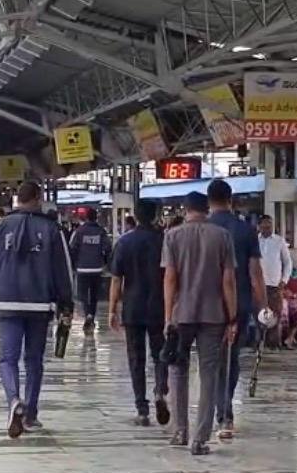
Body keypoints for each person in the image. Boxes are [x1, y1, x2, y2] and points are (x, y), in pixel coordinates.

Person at [0, 182, 75, 438]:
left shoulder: (0, 227)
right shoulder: (52, 229)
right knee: (34, 360)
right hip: (40, 304)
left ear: (18, 199)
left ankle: (13, 400)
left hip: (6, 302)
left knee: (8, 359)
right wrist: (66, 303)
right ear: (38, 198)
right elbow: (63, 269)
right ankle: (30, 415)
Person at [162, 191, 238, 456]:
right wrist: (232, 317)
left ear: (186, 209)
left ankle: (180, 430)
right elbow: (228, 281)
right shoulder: (222, 236)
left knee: (177, 370)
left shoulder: (172, 236)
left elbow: (170, 278)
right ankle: (200, 439)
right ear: (207, 209)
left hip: (181, 314)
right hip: (214, 315)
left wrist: (168, 317)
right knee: (209, 375)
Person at [207, 179, 266, 440]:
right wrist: (263, 306)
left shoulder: (203, 228)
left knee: (211, 361)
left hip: (206, 307)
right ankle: (225, 412)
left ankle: (216, 412)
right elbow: (255, 273)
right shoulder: (245, 230)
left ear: (209, 201)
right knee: (231, 359)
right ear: (230, 200)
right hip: (239, 305)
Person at [109, 199, 169, 427]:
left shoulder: (125, 242)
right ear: (155, 215)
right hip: (159, 307)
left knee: (136, 358)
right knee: (160, 353)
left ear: (135, 215)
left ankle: (142, 409)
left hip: (133, 308)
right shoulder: (164, 241)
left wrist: (112, 309)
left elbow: (116, 279)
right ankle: (160, 390)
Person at [68, 208, 112, 332]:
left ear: (86, 217)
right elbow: (107, 248)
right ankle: (91, 315)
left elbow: (72, 248)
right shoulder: (101, 231)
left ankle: (87, 313)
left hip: (82, 268)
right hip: (97, 268)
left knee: (82, 295)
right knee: (94, 295)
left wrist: (74, 264)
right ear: (96, 218)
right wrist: (105, 263)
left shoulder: (79, 231)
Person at [257, 214, 292, 349]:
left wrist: (284, 280)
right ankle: (259, 343)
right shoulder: (255, 241)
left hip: (275, 285)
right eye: (265, 224)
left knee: (275, 315)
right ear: (259, 226)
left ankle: (273, 344)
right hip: (259, 285)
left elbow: (287, 263)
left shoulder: (279, 241)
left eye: (270, 224)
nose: (267, 227)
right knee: (259, 314)